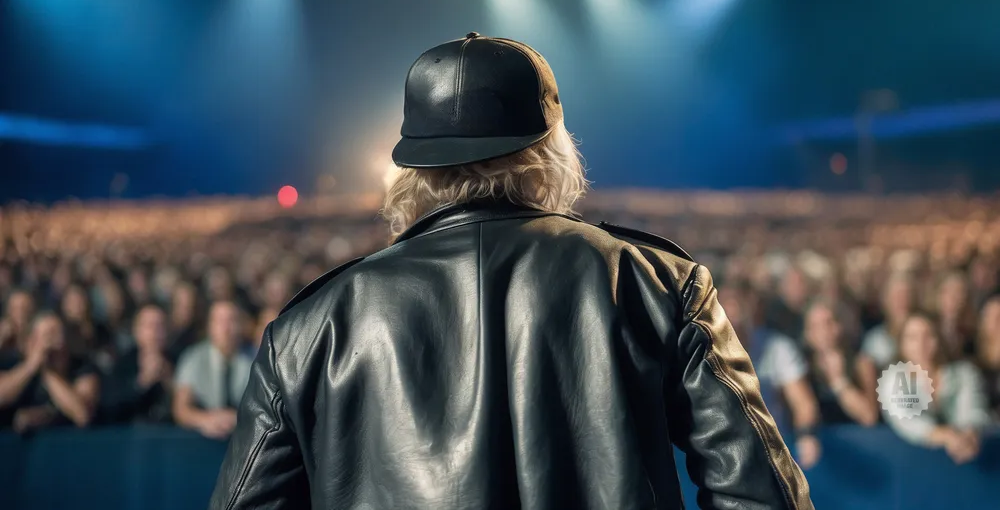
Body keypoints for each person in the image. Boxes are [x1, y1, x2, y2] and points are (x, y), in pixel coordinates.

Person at [211, 33, 812, 509]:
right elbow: (760, 493)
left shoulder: (311, 327)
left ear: (413, 169)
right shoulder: (654, 283)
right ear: (552, 151)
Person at [718, 279, 823, 468]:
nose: (732, 319)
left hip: (771, 456)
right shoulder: (699, 350)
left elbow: (803, 403)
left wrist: (806, 434)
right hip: (720, 457)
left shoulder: (779, 347)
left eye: (737, 308)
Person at [886, 311, 991, 464]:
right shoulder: (894, 379)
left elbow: (972, 411)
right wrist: (948, 436)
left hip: (968, 460)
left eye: (928, 335)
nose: (921, 344)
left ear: (940, 339)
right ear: (902, 344)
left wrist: (968, 435)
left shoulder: (965, 373)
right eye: (912, 338)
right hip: (912, 465)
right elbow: (907, 419)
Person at [0, 312, 100, 432]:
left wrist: (47, 371)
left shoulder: (83, 368)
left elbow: (82, 415)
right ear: (31, 342)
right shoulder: (14, 365)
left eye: (60, 334)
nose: (56, 341)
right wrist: (31, 366)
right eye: (49, 335)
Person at [172, 300, 252, 439]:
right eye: (220, 321)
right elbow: (180, 409)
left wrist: (240, 418)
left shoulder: (255, 359)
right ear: (210, 326)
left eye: (231, 320)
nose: (226, 328)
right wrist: (206, 420)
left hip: (245, 441)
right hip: (201, 443)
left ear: (240, 325)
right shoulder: (193, 358)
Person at [801, 301, 879, 426]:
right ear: (808, 334)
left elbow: (869, 417)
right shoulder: (801, 366)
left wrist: (838, 381)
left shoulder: (861, 363)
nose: (823, 331)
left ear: (839, 326)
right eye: (815, 326)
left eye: (828, 323)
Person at [99, 305, 174, 424]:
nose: (155, 332)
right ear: (137, 331)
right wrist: (142, 383)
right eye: (149, 326)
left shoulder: (181, 360)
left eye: (160, 326)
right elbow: (110, 408)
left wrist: (170, 382)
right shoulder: (121, 365)